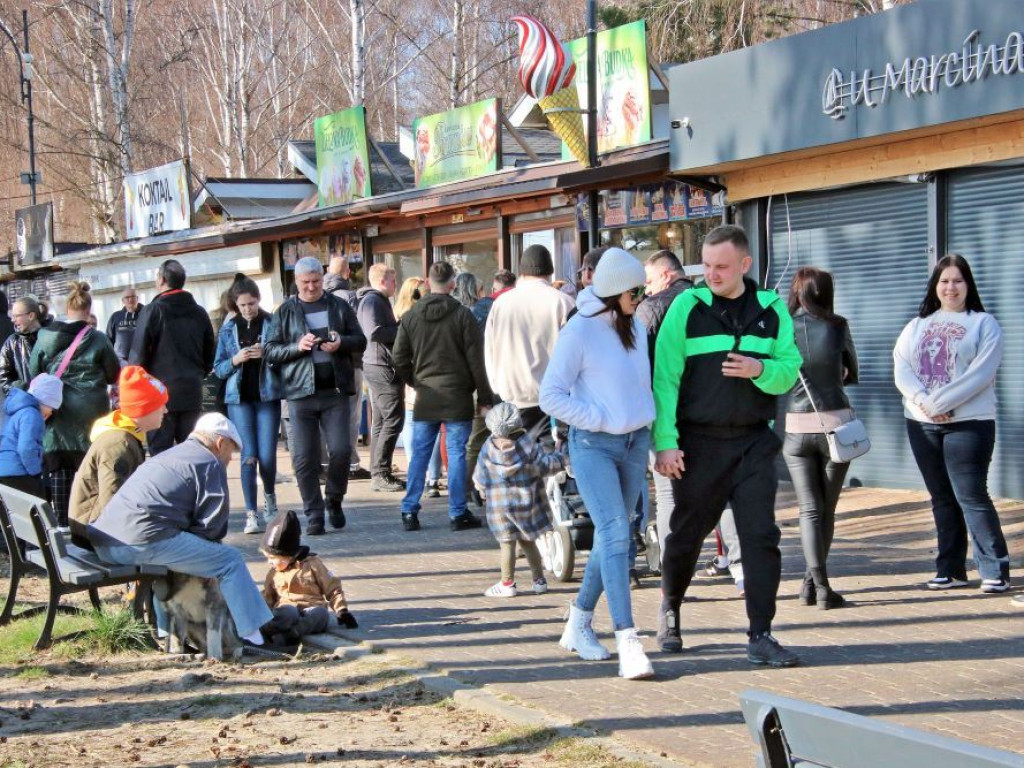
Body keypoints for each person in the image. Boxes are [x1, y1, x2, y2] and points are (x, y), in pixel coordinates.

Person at [653, 224, 802, 668]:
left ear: (744, 265)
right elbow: (664, 380)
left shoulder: (772, 310)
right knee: (685, 536)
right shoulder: (686, 307)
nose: (713, 275)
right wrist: (665, 443)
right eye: (708, 266)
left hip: (754, 443)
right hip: (698, 444)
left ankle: (761, 634)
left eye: (722, 267)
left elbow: (790, 370)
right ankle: (670, 608)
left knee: (761, 538)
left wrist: (760, 369)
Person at [539, 247, 655, 680]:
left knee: (614, 537)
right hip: (593, 445)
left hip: (634, 441)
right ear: (611, 292)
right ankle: (628, 638)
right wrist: (598, 419)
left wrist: (652, 436)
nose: (641, 296)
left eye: (642, 288)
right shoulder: (579, 331)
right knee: (615, 534)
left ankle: (579, 623)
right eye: (634, 290)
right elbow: (551, 395)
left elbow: (642, 386)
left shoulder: (635, 326)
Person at [88, 413, 274, 649]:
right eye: (230, 452)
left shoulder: (170, 454)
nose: (229, 459)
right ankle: (253, 633)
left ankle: (168, 632)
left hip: (105, 541)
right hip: (136, 542)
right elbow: (213, 527)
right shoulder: (209, 462)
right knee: (229, 560)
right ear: (220, 444)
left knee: (178, 558)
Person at [894, 254, 1011, 594]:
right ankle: (951, 568)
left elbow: (981, 374)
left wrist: (938, 403)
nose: (951, 287)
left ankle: (994, 568)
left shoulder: (984, 324)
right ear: (935, 286)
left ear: (968, 285)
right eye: (944, 281)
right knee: (941, 497)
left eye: (957, 281)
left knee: (971, 495)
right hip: (921, 423)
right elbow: (901, 367)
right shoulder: (916, 325)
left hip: (969, 423)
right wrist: (923, 403)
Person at [263, 257, 366, 536]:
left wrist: (340, 343)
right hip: (300, 392)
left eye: (316, 282)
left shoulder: (338, 305)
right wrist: (297, 347)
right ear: (295, 282)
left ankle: (334, 498)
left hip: (334, 390)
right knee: (304, 458)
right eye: (305, 282)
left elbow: (361, 340)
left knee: (342, 450)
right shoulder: (285, 311)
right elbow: (270, 350)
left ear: (323, 279)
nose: (311, 287)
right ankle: (314, 513)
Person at [393, 261, 494, 532]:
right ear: (452, 284)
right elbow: (476, 360)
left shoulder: (411, 317)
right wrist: (484, 394)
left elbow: (398, 358)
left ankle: (409, 510)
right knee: (457, 453)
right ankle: (457, 512)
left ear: (427, 282)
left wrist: (415, 381)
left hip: (426, 396)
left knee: (420, 456)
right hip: (457, 395)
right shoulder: (463, 315)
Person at [783, 267, 859, 609]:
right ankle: (819, 587)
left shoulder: (782, 328)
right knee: (826, 510)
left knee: (809, 509)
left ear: (797, 293)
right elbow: (849, 372)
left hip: (796, 429)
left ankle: (815, 584)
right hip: (835, 428)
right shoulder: (838, 325)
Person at [30, 282, 120, 525]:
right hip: (93, 415)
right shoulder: (98, 338)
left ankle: (61, 526)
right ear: (88, 309)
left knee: (60, 472)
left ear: (67, 308)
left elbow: (34, 372)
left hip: (57, 415)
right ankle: (88, 525)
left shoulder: (44, 337)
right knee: (90, 473)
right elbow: (114, 374)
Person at [68, 366, 169, 548]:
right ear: (144, 409)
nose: (166, 411)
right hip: (97, 536)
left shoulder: (125, 436)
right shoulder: (118, 445)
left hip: (94, 528)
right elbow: (112, 502)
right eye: (160, 405)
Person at [473, 401, 565, 598]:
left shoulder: (488, 448)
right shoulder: (527, 445)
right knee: (528, 541)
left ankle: (507, 583)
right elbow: (545, 466)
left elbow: (480, 476)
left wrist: (480, 489)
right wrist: (561, 457)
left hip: (499, 507)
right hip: (526, 503)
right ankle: (539, 581)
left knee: (507, 544)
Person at [214, 275, 282, 535]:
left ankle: (270, 498)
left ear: (258, 300)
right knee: (248, 456)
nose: (247, 309)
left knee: (266, 455)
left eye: (251, 304)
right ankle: (251, 513)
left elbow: (284, 356)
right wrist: (236, 359)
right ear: (235, 304)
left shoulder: (271, 323)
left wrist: (268, 354)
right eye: (242, 305)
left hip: (267, 396)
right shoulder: (229, 328)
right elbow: (218, 368)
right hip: (238, 399)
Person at [129, 259, 216, 454]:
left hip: (159, 395)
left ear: (161, 279)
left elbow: (137, 358)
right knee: (191, 452)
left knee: (161, 454)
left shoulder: (152, 310)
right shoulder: (199, 312)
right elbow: (210, 354)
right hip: (192, 391)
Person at [484, 245, 573, 431]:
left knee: (513, 456)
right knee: (551, 458)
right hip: (553, 401)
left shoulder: (501, 303)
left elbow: (489, 349)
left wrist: (497, 387)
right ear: (549, 271)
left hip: (510, 398)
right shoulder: (563, 302)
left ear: (521, 272)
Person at [260, 509, 358, 645]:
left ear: (288, 556)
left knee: (322, 614)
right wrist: (258, 616)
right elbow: (268, 597)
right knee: (288, 613)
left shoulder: (312, 564)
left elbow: (332, 588)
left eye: (272, 558)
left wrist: (342, 610)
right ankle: (267, 631)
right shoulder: (274, 572)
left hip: (311, 608)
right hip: (287, 608)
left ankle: (293, 634)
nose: (269, 562)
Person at [356, 264, 405, 493]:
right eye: (394, 281)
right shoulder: (373, 301)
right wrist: (401, 331)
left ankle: (378, 470)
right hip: (380, 365)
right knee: (393, 418)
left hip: (377, 364)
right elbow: (374, 331)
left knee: (381, 420)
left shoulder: (376, 300)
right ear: (384, 281)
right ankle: (380, 473)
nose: (396, 285)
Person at [395, 277, 444, 498]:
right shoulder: (434, 318)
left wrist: (409, 379)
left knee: (414, 427)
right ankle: (432, 478)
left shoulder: (402, 319)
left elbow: (399, 356)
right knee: (431, 430)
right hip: (433, 381)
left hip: (415, 381)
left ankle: (420, 477)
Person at [324, 255, 369, 481]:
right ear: (348, 272)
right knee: (351, 415)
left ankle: (328, 462)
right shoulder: (349, 297)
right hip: (350, 363)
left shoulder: (318, 297)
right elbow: (359, 334)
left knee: (327, 416)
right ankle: (350, 463)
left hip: (323, 366)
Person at [0, 374, 62, 498]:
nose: (50, 412)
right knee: (36, 512)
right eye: (52, 408)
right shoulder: (32, 414)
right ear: (46, 401)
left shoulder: (16, 410)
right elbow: (26, 448)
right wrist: (35, 472)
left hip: (4, 471)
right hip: (19, 474)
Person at [0, 296, 44, 396]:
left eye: (16, 316)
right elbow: (3, 377)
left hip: (52, 404)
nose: (12, 320)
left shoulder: (51, 337)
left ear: (31, 316)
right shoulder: (11, 343)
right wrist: (21, 392)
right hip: (25, 405)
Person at [105, 287, 144, 367]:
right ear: (123, 300)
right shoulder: (115, 316)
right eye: (127, 297)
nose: (130, 300)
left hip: (143, 361)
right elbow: (108, 340)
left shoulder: (146, 314)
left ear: (137, 298)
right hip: (121, 362)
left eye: (133, 296)